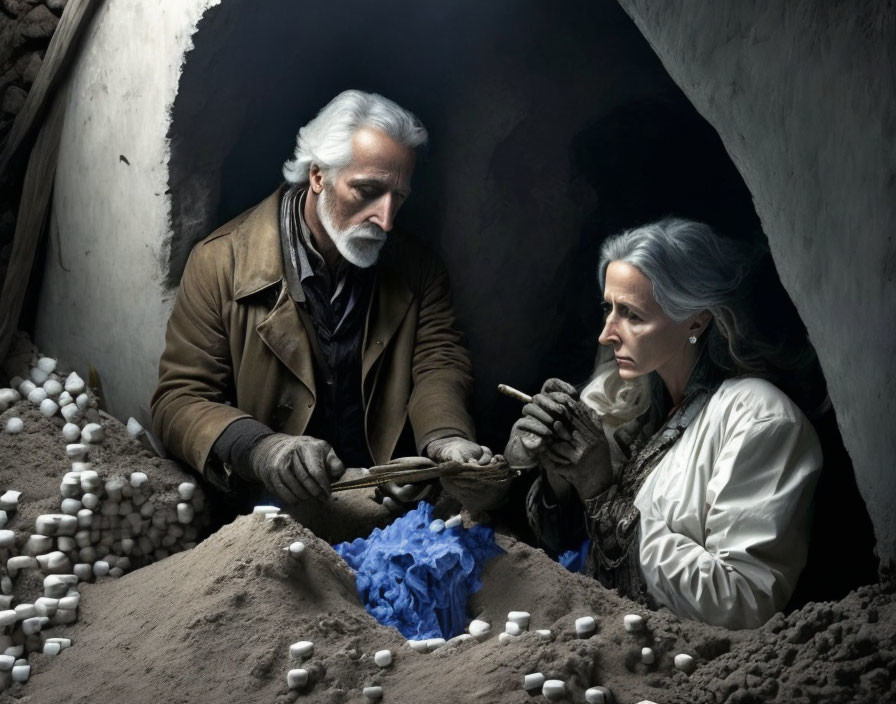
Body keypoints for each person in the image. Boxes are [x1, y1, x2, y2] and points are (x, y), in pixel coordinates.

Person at [151, 90, 492, 515]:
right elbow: (179, 400)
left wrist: (446, 438)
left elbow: (438, 364)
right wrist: (262, 449)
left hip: (389, 507)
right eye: (367, 190)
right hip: (273, 517)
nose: (385, 219)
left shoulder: (419, 270)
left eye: (398, 198)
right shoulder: (220, 263)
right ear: (317, 176)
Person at [503, 217, 823, 629]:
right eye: (609, 309)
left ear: (695, 320)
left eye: (631, 315)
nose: (606, 334)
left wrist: (602, 493)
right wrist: (560, 473)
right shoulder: (634, 405)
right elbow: (572, 551)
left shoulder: (760, 419)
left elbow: (744, 599)